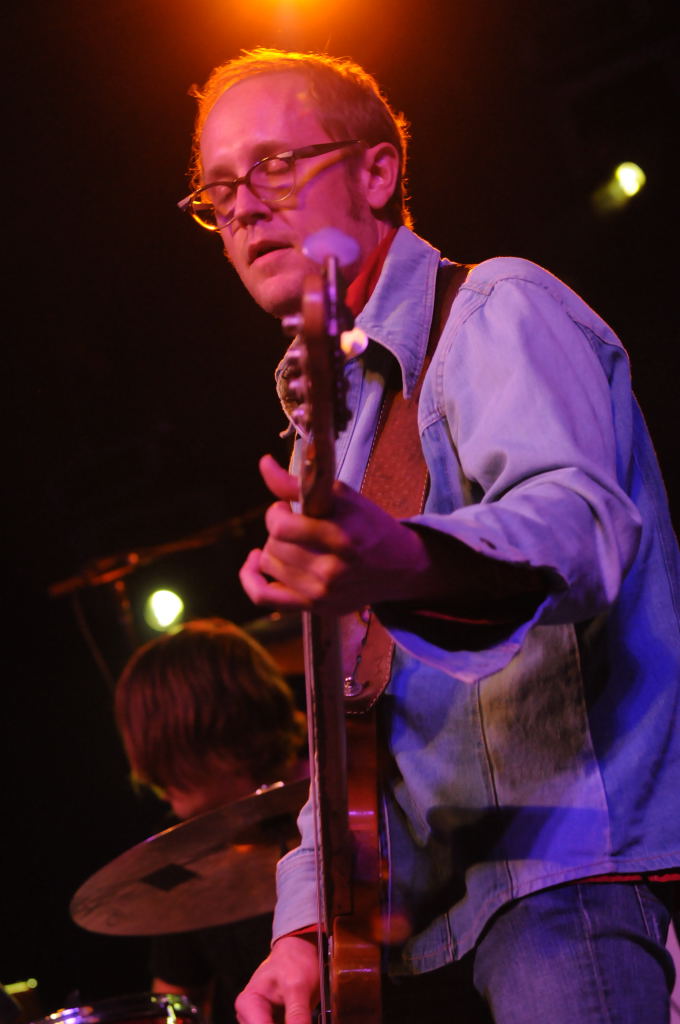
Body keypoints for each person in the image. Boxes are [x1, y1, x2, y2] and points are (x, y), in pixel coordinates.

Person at [177, 48, 680, 1023]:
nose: (240, 208)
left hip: (562, 888)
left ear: (376, 172)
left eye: (273, 166)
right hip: (428, 930)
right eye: (218, 190)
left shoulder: (495, 307)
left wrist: (406, 559)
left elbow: (579, 529)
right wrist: (302, 929)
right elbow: (349, 730)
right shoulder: (333, 429)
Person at [114, 618, 307, 1023]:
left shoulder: (351, 804)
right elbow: (172, 1003)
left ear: (222, 729)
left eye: (162, 750)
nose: (150, 775)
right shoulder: (182, 856)